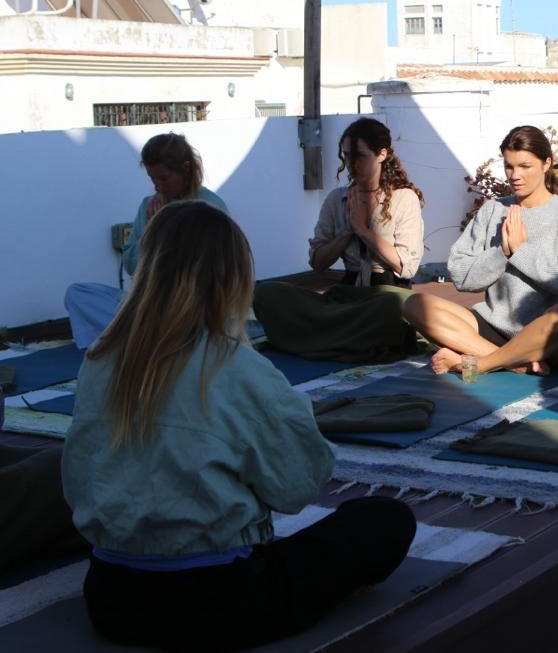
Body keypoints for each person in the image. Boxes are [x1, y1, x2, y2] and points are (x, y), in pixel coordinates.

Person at [62, 201, 415, 651]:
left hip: (112, 598)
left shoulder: (99, 360)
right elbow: (295, 487)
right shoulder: (237, 368)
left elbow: (77, 480)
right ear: (230, 279)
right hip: (222, 603)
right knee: (382, 519)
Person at [402, 126, 558, 377]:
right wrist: (503, 253)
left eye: (525, 166)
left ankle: (479, 364)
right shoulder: (492, 210)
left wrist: (521, 252)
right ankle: (515, 363)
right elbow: (460, 275)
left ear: (547, 164)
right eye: (509, 166)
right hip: (493, 329)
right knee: (415, 304)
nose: (515, 175)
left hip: (545, 339)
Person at [254, 118, 425, 363]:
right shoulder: (337, 200)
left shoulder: (403, 198)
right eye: (346, 156)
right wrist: (346, 233)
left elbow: (406, 266)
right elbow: (317, 262)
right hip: (347, 298)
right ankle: (347, 341)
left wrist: (363, 230)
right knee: (267, 293)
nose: (351, 164)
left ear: (382, 155)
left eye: (360, 156)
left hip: (386, 294)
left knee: (390, 308)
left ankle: (324, 340)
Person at [64, 132, 228, 349]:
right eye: (152, 178)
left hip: (189, 309)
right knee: (78, 294)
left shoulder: (209, 208)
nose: (157, 186)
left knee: (174, 321)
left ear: (186, 169)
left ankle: (143, 339)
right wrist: (150, 230)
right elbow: (132, 266)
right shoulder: (148, 206)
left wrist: (165, 230)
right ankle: (141, 338)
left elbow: (210, 276)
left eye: (164, 178)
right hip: (147, 305)